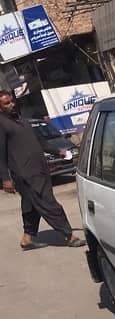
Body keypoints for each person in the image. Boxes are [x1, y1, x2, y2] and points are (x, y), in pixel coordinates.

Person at [0, 90, 85, 251]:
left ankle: (27, 238)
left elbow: (40, 142)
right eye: (6, 103)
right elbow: (0, 154)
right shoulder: (2, 124)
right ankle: (69, 236)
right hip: (25, 174)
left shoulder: (21, 120)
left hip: (39, 169)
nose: (11, 105)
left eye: (11, 101)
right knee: (48, 202)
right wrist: (5, 178)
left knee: (31, 205)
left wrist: (58, 152)